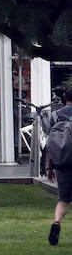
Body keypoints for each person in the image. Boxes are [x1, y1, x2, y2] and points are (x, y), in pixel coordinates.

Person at [44, 87, 72, 245]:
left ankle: (56, 222)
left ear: (64, 96)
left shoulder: (55, 116)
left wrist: (49, 166)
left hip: (61, 162)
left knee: (63, 199)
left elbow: (50, 144)